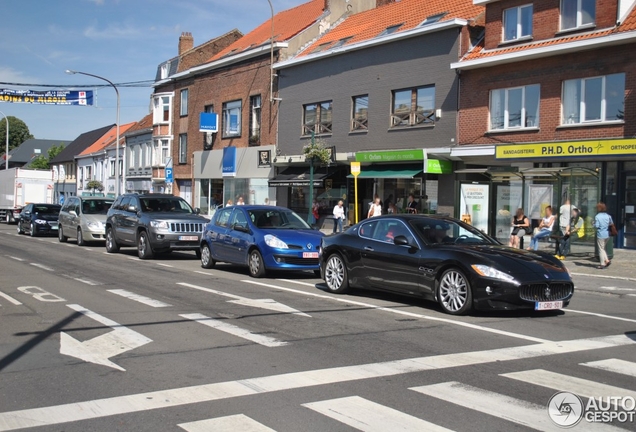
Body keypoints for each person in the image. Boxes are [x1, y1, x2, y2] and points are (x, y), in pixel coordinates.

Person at [593, 202, 612, 269]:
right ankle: (607, 260)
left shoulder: (597, 216)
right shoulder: (608, 216)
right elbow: (611, 223)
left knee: (601, 249)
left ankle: (602, 264)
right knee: (603, 248)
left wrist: (593, 224)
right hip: (607, 234)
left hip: (600, 234)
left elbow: (597, 226)